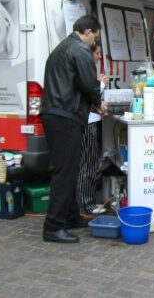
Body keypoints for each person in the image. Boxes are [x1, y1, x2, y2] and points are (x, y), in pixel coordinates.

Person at [40, 15, 107, 243]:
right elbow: (89, 83)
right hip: (65, 115)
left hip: (55, 113)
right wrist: (99, 103)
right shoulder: (79, 50)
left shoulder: (62, 47)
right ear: (87, 31)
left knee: (68, 168)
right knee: (65, 172)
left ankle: (69, 216)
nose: (94, 42)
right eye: (95, 37)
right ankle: (53, 227)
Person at [77, 44, 109, 215]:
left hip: (90, 119)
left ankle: (83, 201)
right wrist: (101, 85)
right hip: (87, 122)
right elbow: (90, 95)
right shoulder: (85, 69)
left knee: (88, 162)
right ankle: (86, 204)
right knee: (88, 164)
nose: (99, 57)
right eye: (97, 54)